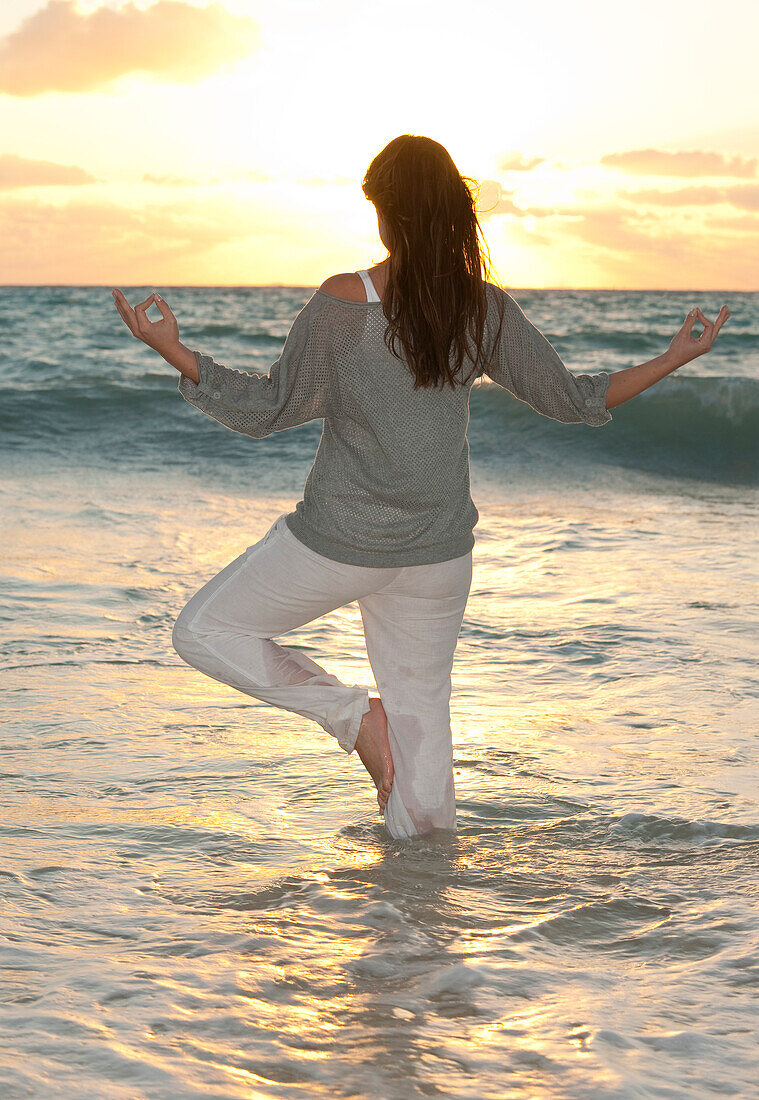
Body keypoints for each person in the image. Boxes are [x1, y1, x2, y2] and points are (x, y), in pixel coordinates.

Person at [112, 134, 730, 840]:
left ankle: (353, 720)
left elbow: (269, 409)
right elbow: (570, 397)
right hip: (437, 555)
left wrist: (173, 351)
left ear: (388, 215)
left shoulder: (346, 303)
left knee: (203, 631)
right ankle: (421, 920)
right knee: (424, 742)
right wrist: (674, 357)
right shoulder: (480, 308)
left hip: (338, 541)